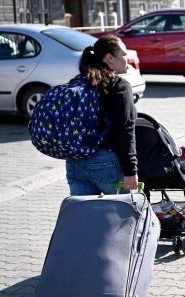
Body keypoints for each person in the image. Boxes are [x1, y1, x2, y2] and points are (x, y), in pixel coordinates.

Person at [67, 34, 138, 195]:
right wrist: (130, 171)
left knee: (86, 217)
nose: (128, 59)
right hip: (105, 161)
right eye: (124, 55)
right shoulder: (119, 86)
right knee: (124, 215)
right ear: (110, 58)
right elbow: (125, 129)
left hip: (75, 162)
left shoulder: (79, 82)